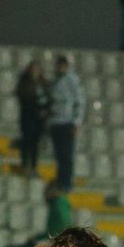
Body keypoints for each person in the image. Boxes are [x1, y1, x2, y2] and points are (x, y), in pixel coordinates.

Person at [47, 55, 84, 191]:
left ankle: (67, 183)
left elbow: (79, 102)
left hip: (67, 123)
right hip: (55, 122)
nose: (60, 68)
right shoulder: (54, 81)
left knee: (67, 155)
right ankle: (60, 181)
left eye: (62, 65)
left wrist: (77, 122)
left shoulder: (72, 80)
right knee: (59, 155)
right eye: (58, 65)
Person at [14, 62, 48, 179]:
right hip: (28, 117)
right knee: (26, 142)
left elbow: (48, 98)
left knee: (35, 144)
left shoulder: (43, 84)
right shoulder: (24, 83)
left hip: (39, 119)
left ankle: (33, 167)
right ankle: (25, 166)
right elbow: (23, 97)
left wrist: (45, 110)